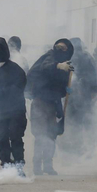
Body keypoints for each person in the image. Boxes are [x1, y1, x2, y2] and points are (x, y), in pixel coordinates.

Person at [27, 39, 75, 175]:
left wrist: (66, 88)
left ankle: (48, 165)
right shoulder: (50, 57)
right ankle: (37, 165)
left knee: (52, 134)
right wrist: (58, 66)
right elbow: (46, 67)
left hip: (54, 102)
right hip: (41, 101)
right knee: (40, 134)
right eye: (58, 46)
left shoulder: (65, 64)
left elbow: (61, 81)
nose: (59, 49)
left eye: (63, 48)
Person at [0, 37, 28, 175]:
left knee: (15, 137)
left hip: (16, 110)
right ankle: (7, 166)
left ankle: (19, 166)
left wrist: (0, 93)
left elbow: (19, 86)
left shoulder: (15, 69)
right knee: (1, 138)